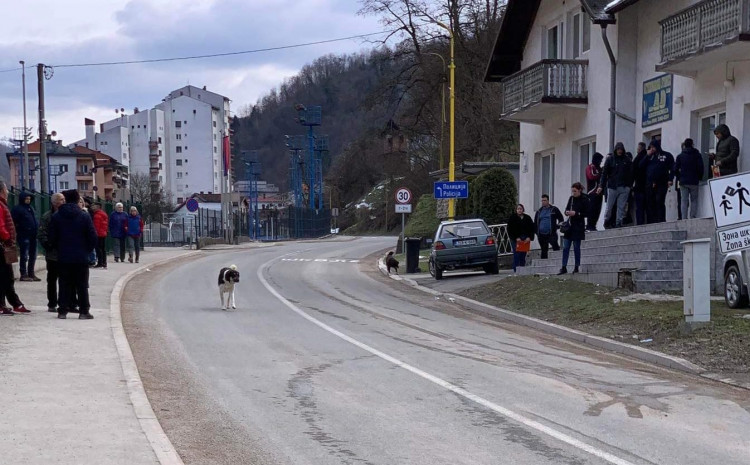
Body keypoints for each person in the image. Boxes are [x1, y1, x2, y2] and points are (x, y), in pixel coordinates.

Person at [49, 189, 97, 320]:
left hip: (63, 256)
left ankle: (62, 311)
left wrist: (58, 248)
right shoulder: (84, 216)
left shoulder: (57, 216)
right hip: (81, 256)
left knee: (64, 283)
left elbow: (52, 237)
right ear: (77, 200)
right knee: (82, 284)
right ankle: (83, 311)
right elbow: (92, 237)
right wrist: (86, 250)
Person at [0, 181, 29, 314]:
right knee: (5, 276)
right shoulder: (0, 205)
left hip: (4, 244)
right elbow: (1, 226)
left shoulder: (3, 204)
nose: (8, 192)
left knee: (6, 276)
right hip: (3, 245)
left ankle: (13, 303)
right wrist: (8, 238)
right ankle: (7, 304)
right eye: (6, 189)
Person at [38, 193, 65, 313]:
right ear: (54, 202)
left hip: (64, 253)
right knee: (52, 280)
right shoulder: (47, 216)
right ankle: (52, 303)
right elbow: (41, 233)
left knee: (64, 280)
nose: (63, 201)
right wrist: (48, 245)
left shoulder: (66, 215)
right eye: (61, 199)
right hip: (52, 255)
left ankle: (63, 302)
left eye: (64, 199)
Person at [599, 142, 633, 228]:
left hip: (624, 187)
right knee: (609, 206)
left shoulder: (627, 160)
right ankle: (606, 220)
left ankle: (619, 222)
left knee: (621, 207)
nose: (620, 151)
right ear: (615, 150)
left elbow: (631, 173)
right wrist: (601, 186)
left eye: (621, 149)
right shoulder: (610, 159)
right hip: (612, 186)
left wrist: (629, 186)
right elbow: (604, 173)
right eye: (618, 149)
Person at [641, 139, 675, 224]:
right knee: (650, 202)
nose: (652, 149)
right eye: (651, 147)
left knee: (659, 200)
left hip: (662, 182)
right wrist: (647, 156)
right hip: (650, 184)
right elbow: (640, 166)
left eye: (653, 147)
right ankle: (652, 221)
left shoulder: (666, 155)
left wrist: (670, 179)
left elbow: (673, 168)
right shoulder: (649, 156)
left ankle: (661, 220)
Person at [558, 183, 589, 275]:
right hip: (570, 227)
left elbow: (587, 213)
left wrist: (576, 213)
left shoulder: (584, 199)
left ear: (579, 190)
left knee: (576, 247)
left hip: (578, 226)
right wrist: (567, 212)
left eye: (575, 191)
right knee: (566, 247)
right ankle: (564, 267)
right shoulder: (571, 199)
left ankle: (576, 266)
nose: (573, 193)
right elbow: (566, 209)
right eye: (572, 191)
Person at [11, 191, 40, 281]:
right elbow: (13, 222)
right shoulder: (17, 209)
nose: (28, 200)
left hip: (33, 235)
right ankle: (23, 274)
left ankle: (31, 273)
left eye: (29, 199)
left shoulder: (30, 208)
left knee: (33, 255)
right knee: (24, 255)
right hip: (24, 235)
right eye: (26, 199)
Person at [675, 138, 704, 220]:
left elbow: (675, 169)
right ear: (692, 144)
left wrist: (679, 177)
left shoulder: (680, 156)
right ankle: (693, 216)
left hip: (683, 181)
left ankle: (684, 218)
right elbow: (701, 167)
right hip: (694, 181)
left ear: (684, 145)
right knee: (694, 200)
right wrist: (699, 177)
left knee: (684, 200)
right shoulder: (697, 155)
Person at [534, 194, 563, 259]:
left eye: (545, 200)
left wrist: (557, 226)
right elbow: (535, 223)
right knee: (544, 250)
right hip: (541, 234)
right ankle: (544, 266)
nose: (543, 202)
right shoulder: (539, 211)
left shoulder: (553, 209)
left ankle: (559, 261)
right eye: (542, 201)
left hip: (551, 233)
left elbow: (561, 218)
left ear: (548, 201)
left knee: (555, 247)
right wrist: (537, 232)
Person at [507, 204, 535, 272]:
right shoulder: (512, 218)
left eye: (520, 209)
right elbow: (510, 229)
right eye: (518, 209)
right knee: (516, 254)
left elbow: (532, 228)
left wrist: (529, 237)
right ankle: (516, 270)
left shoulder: (527, 218)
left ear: (523, 209)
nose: (519, 210)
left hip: (525, 238)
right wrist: (516, 237)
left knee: (523, 254)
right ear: (516, 210)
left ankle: (522, 269)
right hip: (515, 239)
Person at [585, 152, 604, 231]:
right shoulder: (590, 167)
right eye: (600, 160)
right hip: (592, 192)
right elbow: (592, 176)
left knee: (597, 210)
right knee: (592, 209)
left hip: (599, 193)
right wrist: (600, 173)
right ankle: (589, 225)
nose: (600, 162)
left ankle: (593, 225)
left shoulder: (599, 168)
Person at [632, 142, 649, 225]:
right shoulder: (649, 158)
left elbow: (633, 171)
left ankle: (640, 223)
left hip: (639, 186)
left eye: (638, 148)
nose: (637, 150)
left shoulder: (637, 158)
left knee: (639, 208)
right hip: (647, 186)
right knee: (648, 207)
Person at [91, 202, 109, 268]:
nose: (92, 207)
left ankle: (100, 262)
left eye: (93, 206)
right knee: (103, 249)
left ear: (98, 207)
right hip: (103, 233)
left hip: (98, 234)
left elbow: (96, 226)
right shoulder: (103, 214)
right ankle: (104, 262)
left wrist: (94, 234)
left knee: (98, 249)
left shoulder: (97, 215)